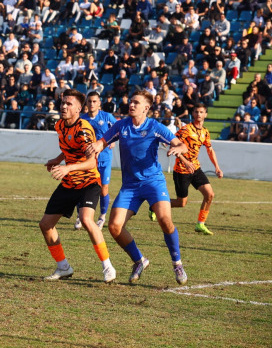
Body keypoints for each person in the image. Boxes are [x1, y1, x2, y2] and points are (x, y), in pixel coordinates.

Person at [87, 91, 192, 285]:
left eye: (136, 102)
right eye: (131, 101)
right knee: (114, 227)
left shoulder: (155, 127)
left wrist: (178, 149)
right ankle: (139, 261)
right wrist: (97, 145)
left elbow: (181, 145)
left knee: (164, 220)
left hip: (153, 182)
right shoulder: (122, 125)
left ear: (146, 108)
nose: (131, 104)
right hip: (130, 186)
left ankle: (177, 263)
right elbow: (104, 141)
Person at [40, 89, 116, 283]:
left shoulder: (84, 129)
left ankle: (107, 266)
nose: (64, 106)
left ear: (78, 109)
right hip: (69, 182)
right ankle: (63, 267)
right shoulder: (60, 125)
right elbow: (69, 148)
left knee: (86, 219)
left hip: (89, 181)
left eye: (69, 104)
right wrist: (57, 160)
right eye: (63, 103)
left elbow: (92, 162)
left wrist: (67, 168)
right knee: (46, 225)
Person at [170, 104, 224, 235]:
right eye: (196, 112)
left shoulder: (205, 132)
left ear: (205, 114)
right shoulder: (186, 129)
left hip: (195, 168)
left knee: (209, 195)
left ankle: (200, 224)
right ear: (193, 114)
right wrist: (186, 162)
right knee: (181, 203)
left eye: (201, 112)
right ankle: (155, 206)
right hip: (181, 169)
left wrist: (217, 167)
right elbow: (173, 144)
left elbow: (210, 150)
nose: (199, 114)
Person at [78, 92, 117, 230]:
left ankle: (102, 217)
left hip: (104, 158)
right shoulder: (82, 120)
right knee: (83, 186)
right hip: (88, 159)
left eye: (94, 101)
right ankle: (80, 216)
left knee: (104, 189)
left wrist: (112, 141)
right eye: (89, 101)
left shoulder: (107, 117)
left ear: (99, 103)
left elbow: (118, 130)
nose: (92, 104)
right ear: (86, 103)